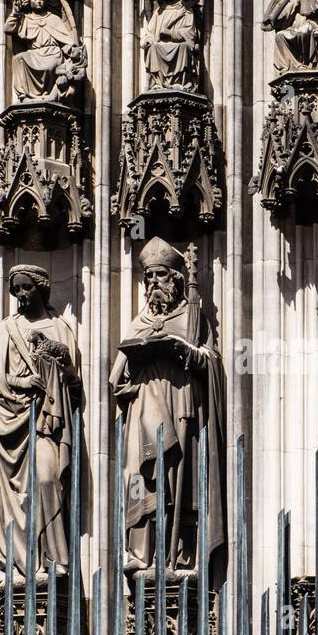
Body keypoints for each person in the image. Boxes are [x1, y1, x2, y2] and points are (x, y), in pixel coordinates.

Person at [111, 238, 224, 574]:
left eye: (160, 276)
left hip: (180, 407)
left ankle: (176, 553)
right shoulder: (139, 321)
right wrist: (137, 359)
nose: (153, 284)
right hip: (143, 408)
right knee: (138, 476)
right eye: (148, 278)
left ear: (176, 278)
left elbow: (211, 362)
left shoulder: (192, 318)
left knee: (176, 478)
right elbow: (116, 380)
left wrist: (185, 351)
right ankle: (140, 551)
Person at [0, 265, 81, 583]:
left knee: (47, 477)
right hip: (12, 423)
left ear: (41, 289)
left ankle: (54, 559)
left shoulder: (60, 327)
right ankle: (23, 566)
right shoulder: (6, 329)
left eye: (26, 288)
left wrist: (58, 364)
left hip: (47, 423)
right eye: (16, 290)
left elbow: (73, 380)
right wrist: (20, 382)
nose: (20, 296)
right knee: (16, 499)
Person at [6, 0, 85, 101]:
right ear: (29, 1)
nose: (39, 1)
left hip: (52, 53)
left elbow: (64, 40)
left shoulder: (54, 18)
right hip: (34, 53)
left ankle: (47, 94)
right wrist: (16, 12)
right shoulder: (25, 19)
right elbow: (7, 29)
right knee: (18, 59)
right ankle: (24, 97)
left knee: (49, 66)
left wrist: (72, 51)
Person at [140, 0, 199, 91]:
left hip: (178, 45)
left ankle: (179, 82)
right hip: (160, 46)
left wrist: (170, 34)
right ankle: (157, 83)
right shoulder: (159, 11)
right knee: (153, 48)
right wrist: (148, 40)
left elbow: (190, 34)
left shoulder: (186, 10)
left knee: (183, 48)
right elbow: (150, 33)